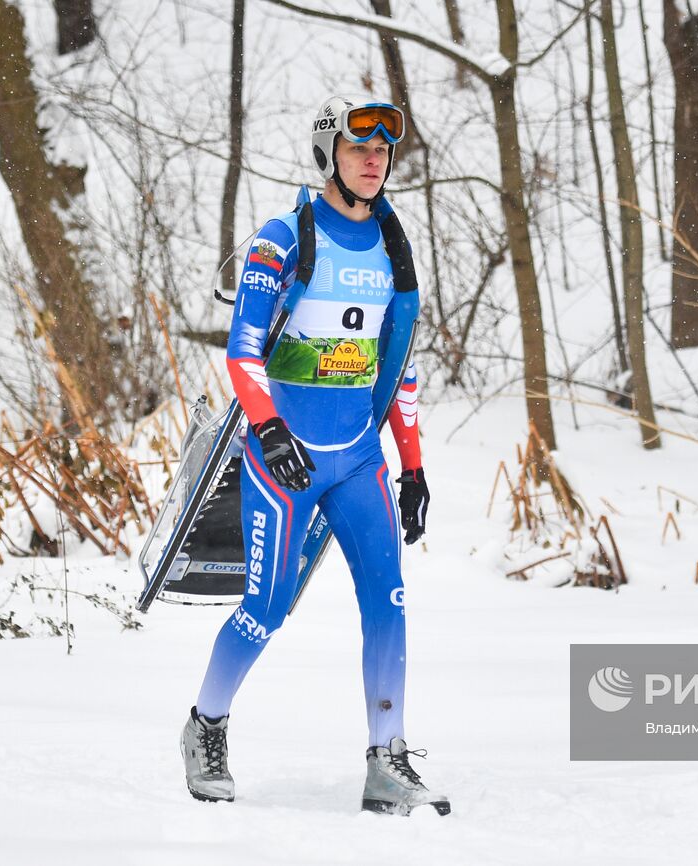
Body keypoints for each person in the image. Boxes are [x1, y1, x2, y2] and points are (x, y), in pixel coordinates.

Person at [179, 95, 447, 817]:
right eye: (360, 150)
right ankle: (205, 727)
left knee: (388, 604)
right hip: (284, 458)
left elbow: (395, 364)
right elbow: (243, 352)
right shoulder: (283, 237)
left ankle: (387, 761)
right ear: (329, 154)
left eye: (384, 153)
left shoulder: (394, 246)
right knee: (264, 611)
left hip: (358, 460)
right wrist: (267, 431)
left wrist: (413, 464)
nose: (373, 161)